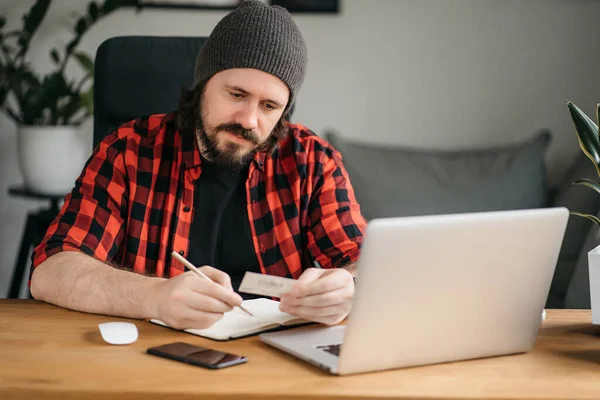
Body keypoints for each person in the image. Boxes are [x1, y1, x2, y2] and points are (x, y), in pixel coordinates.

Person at [30, 0, 366, 331]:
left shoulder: (313, 162)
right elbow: (51, 272)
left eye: (269, 105)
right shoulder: (129, 151)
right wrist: (155, 296)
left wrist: (348, 286)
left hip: (277, 362)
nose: (248, 120)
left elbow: (364, 262)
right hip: (153, 354)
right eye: (236, 95)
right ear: (204, 83)